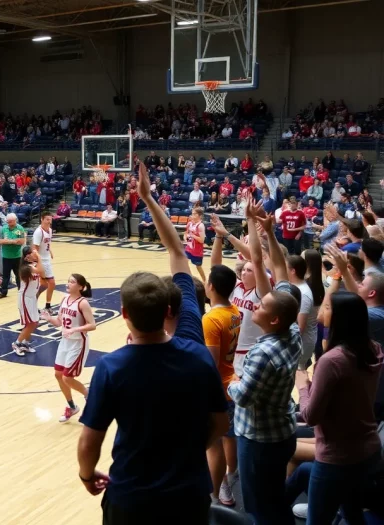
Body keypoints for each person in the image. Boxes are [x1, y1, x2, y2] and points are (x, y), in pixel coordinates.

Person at [77, 161, 229, 524]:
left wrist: (86, 475)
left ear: (124, 314)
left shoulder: (112, 367)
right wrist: (148, 198)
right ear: (169, 308)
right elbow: (221, 425)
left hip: (132, 495)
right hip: (188, 490)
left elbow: (89, 443)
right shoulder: (194, 344)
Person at [228, 201, 302, 525]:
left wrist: (229, 381)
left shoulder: (263, 353)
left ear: (271, 320)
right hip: (283, 430)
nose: (256, 305)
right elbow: (279, 270)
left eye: (261, 306)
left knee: (259, 508)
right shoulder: (293, 330)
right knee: (274, 497)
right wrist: (269, 233)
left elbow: (242, 396)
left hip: (259, 440)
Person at [292, 291, 383, 523]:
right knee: (352, 514)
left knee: (318, 520)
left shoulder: (332, 360)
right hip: (368, 450)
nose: (321, 310)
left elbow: (310, 416)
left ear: (340, 317)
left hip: (337, 458)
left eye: (327, 306)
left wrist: (303, 386)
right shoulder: (372, 349)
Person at [201, 257, 241, 507]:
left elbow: (210, 363)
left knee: (213, 444)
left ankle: (216, 493)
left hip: (217, 388)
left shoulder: (211, 320)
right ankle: (230, 478)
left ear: (212, 287)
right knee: (230, 436)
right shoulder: (235, 311)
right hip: (231, 381)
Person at [41, 274, 96, 422]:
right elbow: (59, 322)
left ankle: (89, 395)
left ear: (80, 287)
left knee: (67, 377)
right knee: (58, 375)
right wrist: (49, 318)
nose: (68, 284)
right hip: (65, 342)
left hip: (78, 343)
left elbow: (92, 325)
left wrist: (74, 329)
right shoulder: (64, 299)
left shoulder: (83, 303)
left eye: (72, 282)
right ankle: (72, 407)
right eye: (68, 281)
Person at [14, 246, 44, 356]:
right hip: (25, 298)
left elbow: (42, 272)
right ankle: (17, 343)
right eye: (33, 253)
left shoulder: (33, 266)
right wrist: (39, 257)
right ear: (27, 257)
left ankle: (25, 343)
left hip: (32, 298)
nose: (35, 254)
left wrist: (37, 259)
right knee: (30, 323)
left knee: (35, 322)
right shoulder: (26, 268)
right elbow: (40, 270)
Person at [0, 213, 25, 299]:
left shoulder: (19, 228)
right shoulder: (4, 228)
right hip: (6, 256)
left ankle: (21, 290)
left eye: (11, 222)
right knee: (6, 275)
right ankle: (3, 292)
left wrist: (8, 241)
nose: (9, 223)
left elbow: (21, 241)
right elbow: (0, 241)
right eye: (8, 222)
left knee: (18, 274)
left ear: (15, 220)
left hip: (17, 256)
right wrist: (14, 241)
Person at [32, 212, 56, 312]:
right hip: (41, 261)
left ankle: (38, 303)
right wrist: (37, 262)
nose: (49, 221)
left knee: (46, 284)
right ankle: (43, 304)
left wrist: (49, 251)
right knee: (50, 283)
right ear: (42, 219)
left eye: (50, 219)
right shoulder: (38, 232)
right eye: (47, 219)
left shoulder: (50, 230)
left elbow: (47, 243)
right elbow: (34, 249)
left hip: (47, 259)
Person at [185, 208, 206, 281]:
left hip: (197, 251)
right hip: (189, 248)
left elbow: (202, 240)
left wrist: (193, 235)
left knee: (198, 267)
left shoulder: (200, 226)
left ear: (200, 216)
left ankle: (205, 281)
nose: (192, 215)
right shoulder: (189, 223)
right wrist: (187, 239)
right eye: (192, 213)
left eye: (194, 214)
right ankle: (190, 279)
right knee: (184, 263)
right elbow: (186, 234)